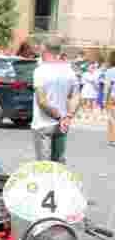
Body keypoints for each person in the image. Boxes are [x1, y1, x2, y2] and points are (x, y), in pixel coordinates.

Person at [31, 35, 81, 163]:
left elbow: (42, 101)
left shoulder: (40, 71)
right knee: (58, 163)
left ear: (44, 49)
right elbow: (75, 96)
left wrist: (59, 117)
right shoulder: (69, 71)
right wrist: (68, 116)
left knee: (44, 166)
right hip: (61, 125)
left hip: (43, 125)